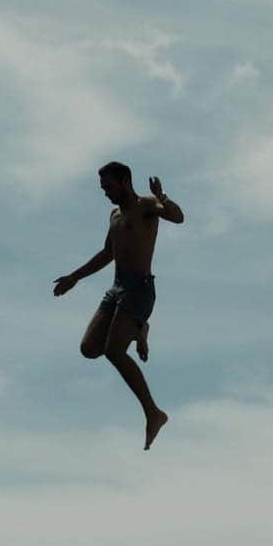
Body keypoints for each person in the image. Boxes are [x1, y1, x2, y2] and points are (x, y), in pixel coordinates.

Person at [53, 161, 184, 450]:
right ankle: (139, 328)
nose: (106, 194)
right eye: (103, 189)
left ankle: (154, 413)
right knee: (89, 349)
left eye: (109, 187)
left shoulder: (147, 206)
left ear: (125, 181)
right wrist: (74, 277)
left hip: (139, 289)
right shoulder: (114, 216)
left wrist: (162, 196)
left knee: (114, 351)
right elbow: (107, 253)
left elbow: (178, 217)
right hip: (116, 289)